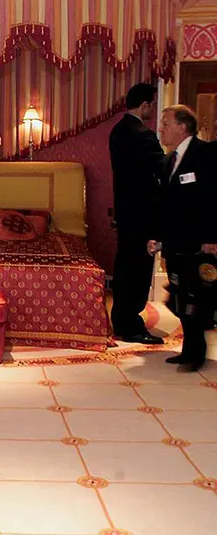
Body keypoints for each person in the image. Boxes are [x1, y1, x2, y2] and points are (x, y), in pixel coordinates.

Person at [151, 105, 217, 372]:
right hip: (175, 242)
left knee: (197, 297)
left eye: (166, 123)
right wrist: (158, 238)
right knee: (180, 295)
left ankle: (196, 353)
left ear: (183, 126)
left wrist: (212, 237)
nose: (161, 129)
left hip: (198, 241)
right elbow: (164, 205)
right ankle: (187, 349)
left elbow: (213, 199)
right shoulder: (168, 161)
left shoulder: (206, 154)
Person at [109, 82, 165, 344]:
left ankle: (121, 319)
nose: (153, 110)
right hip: (143, 212)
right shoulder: (144, 134)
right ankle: (132, 324)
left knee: (124, 267)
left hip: (125, 210)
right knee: (139, 269)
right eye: (153, 105)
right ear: (145, 104)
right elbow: (162, 172)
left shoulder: (117, 131)